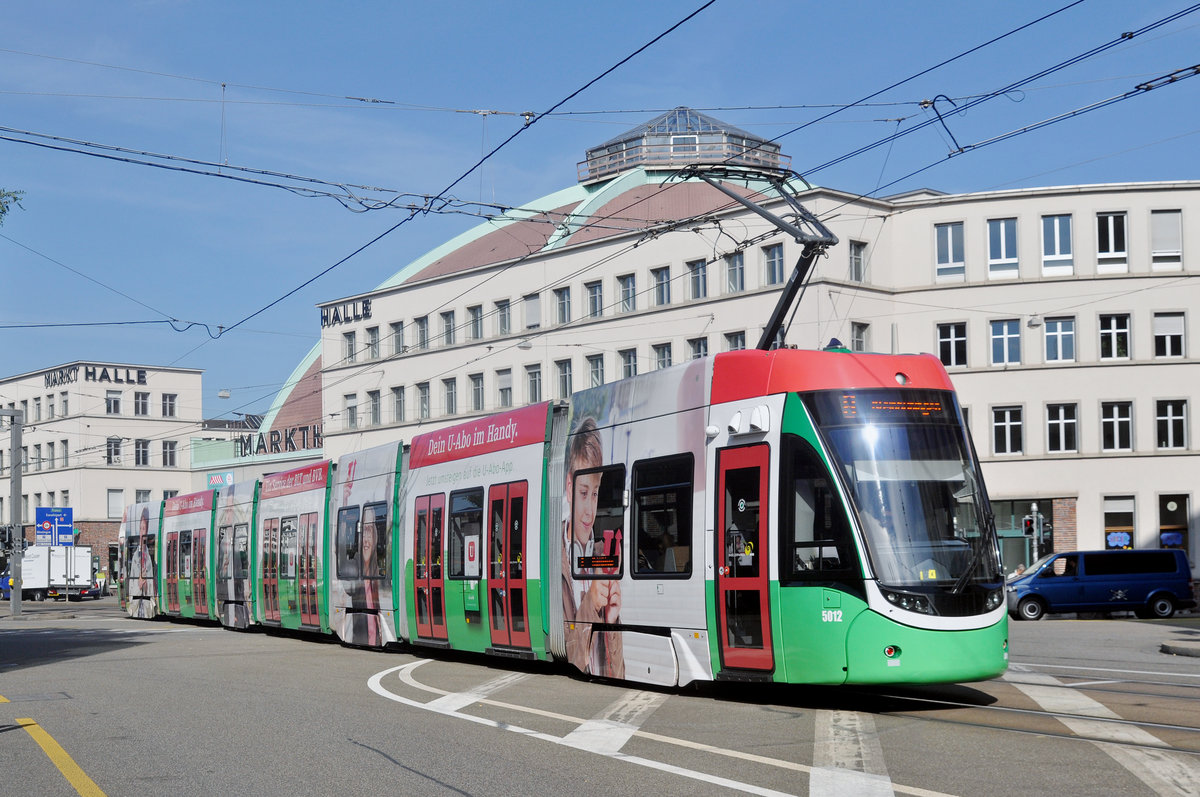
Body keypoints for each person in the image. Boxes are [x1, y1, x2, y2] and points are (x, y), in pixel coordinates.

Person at [561, 417, 624, 679]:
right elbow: (568, 657)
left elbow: (618, 672)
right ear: (569, 488)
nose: (590, 510)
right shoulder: (555, 559)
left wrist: (611, 621)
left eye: (595, 493)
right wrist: (590, 604)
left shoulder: (602, 556)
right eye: (584, 493)